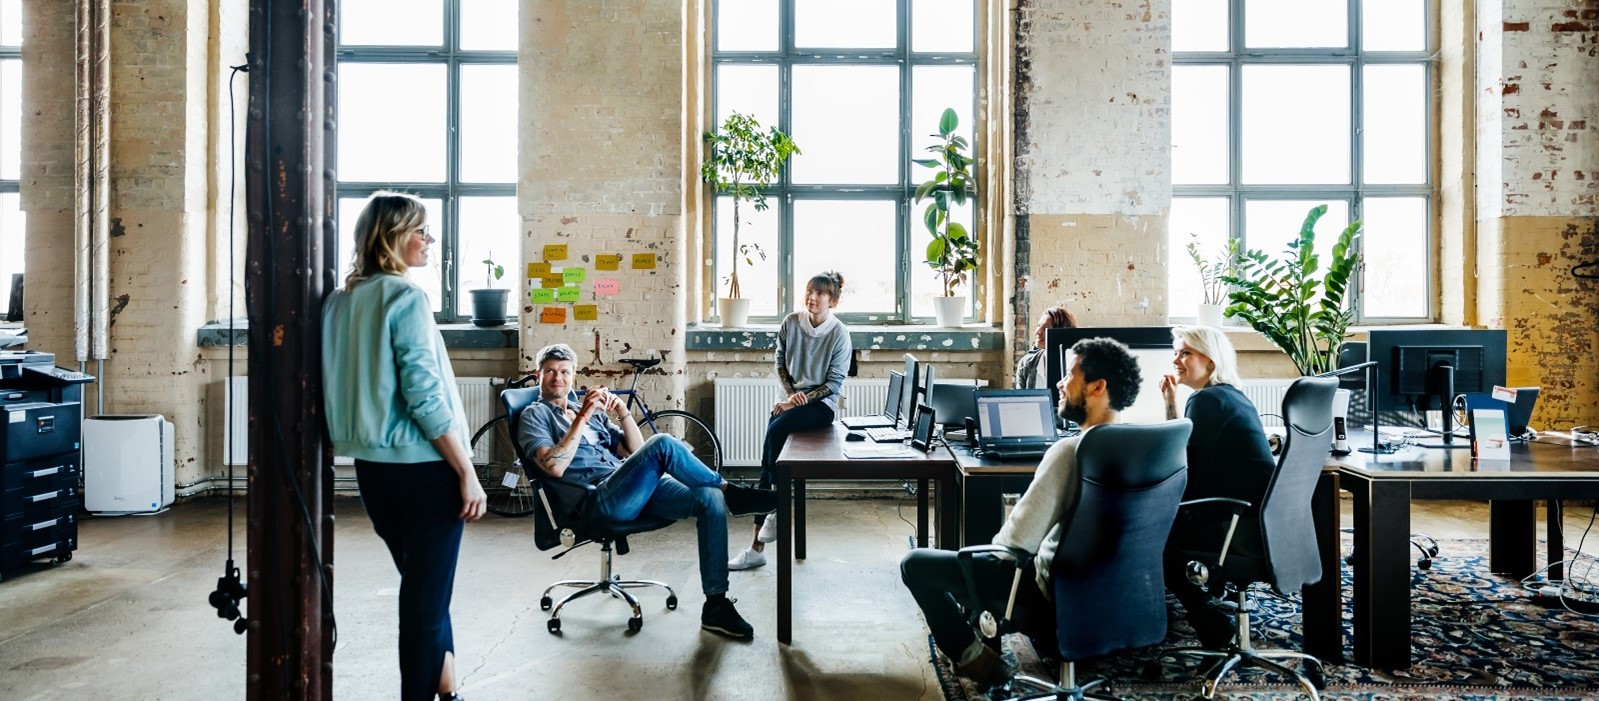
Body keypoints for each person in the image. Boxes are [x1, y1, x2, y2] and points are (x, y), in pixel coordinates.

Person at [900, 338, 1143, 689]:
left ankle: (976, 660)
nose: (1060, 383)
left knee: (916, 565)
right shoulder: (1145, 446)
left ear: (1097, 386)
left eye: (1070, 374)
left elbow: (1013, 544)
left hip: (1052, 604)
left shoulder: (1070, 452)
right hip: (1124, 601)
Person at [321, 192, 487, 701]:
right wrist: (465, 469)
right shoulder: (404, 298)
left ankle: (448, 690)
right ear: (392, 237)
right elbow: (424, 393)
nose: (429, 240)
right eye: (421, 230)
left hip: (373, 472)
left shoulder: (339, 301)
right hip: (426, 471)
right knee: (423, 601)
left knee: (426, 594)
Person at [516, 343, 779, 640]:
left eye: (565, 372)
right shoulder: (534, 415)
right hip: (598, 500)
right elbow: (553, 467)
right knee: (665, 442)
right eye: (550, 371)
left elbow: (637, 450)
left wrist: (623, 413)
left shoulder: (584, 409)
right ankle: (733, 491)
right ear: (538, 374)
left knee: (709, 497)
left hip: (630, 488)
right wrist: (583, 418)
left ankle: (716, 604)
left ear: (574, 375)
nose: (558, 378)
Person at [1157, 324, 1275, 648]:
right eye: (1176, 353)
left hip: (1237, 530)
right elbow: (1188, 456)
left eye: (1186, 353)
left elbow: (1185, 473)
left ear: (1210, 362)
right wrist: (1170, 403)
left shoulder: (1207, 401)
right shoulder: (1228, 397)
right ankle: (1207, 607)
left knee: (1149, 535)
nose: (1177, 360)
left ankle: (1208, 622)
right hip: (1261, 527)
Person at [728, 271, 852, 571]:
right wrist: (791, 395)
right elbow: (780, 362)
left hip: (821, 406)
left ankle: (766, 522)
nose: (812, 297)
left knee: (777, 427)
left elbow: (834, 383)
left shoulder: (839, 334)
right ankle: (770, 513)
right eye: (809, 291)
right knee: (774, 439)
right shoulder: (791, 322)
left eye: (820, 293)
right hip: (793, 400)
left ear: (832, 300)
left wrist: (798, 400)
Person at [1014, 306, 1078, 389]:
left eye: (1046, 328)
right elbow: (1021, 400)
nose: (1038, 332)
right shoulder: (1026, 364)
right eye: (1038, 325)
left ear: (1060, 332)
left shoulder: (1075, 364)